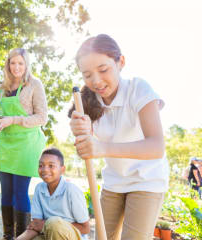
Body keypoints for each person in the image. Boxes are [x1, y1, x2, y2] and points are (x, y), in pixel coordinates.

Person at [69, 34, 169, 239]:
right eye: (87, 75)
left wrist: (102, 148)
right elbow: (86, 147)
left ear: (120, 62)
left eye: (103, 70)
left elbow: (156, 147)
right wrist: (82, 134)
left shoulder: (138, 89)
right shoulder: (87, 101)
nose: (96, 81)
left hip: (146, 181)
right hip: (114, 181)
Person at [0, 48, 48, 239]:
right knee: (6, 193)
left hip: (26, 144)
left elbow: (42, 117)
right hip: (6, 144)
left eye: (20, 63)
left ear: (26, 65)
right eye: (13, 62)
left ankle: (20, 238)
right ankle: (7, 236)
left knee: (19, 192)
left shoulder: (34, 84)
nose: (16, 67)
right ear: (8, 64)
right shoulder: (0, 88)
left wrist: (14, 120)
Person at [17, 148, 90, 240]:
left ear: (62, 170)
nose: (45, 169)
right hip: (48, 234)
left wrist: (47, 225)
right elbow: (35, 226)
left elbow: (85, 228)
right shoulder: (39, 189)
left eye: (51, 166)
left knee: (53, 223)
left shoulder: (71, 190)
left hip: (72, 237)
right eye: (41, 165)